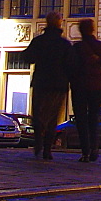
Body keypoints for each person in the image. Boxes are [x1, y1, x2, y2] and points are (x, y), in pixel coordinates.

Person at [21, 11, 72, 160]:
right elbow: (70, 64)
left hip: (41, 82)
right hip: (58, 84)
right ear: (60, 23)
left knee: (38, 113)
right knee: (52, 117)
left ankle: (38, 141)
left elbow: (27, 57)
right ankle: (47, 149)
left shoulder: (39, 41)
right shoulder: (64, 44)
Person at [68, 18, 101, 162]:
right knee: (94, 119)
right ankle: (94, 148)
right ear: (93, 30)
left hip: (80, 87)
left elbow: (70, 66)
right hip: (95, 86)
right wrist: (98, 60)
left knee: (81, 120)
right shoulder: (100, 46)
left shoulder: (77, 48)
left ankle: (85, 151)